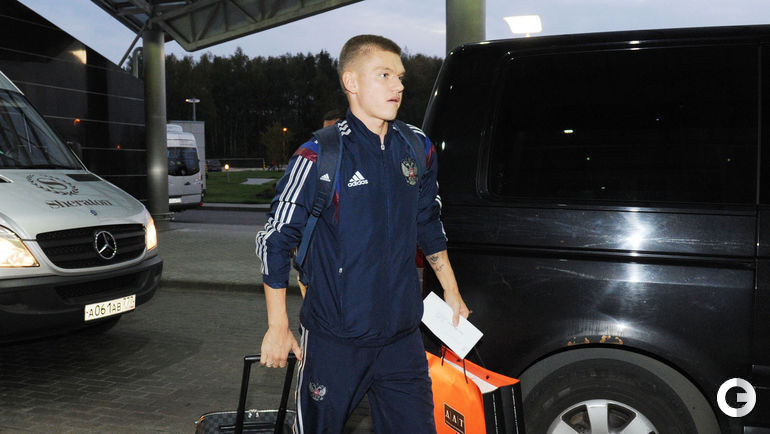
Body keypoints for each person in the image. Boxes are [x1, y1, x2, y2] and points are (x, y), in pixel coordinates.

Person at [255, 34, 469, 433]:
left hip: (402, 339)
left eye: (400, 77)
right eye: (384, 75)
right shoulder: (319, 154)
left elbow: (428, 222)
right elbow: (275, 240)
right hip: (335, 340)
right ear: (351, 82)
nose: (398, 86)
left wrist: (451, 291)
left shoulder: (417, 147)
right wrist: (277, 326)